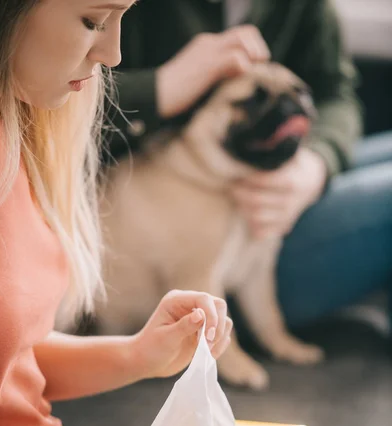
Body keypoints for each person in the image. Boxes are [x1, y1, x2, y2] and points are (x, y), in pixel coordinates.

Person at [0, 2, 391, 426]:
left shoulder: (15, 136)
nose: (115, 56)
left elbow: (11, 363)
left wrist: (139, 355)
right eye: (92, 21)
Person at [108, 0, 392, 332]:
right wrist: (159, 88)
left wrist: (318, 164)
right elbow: (49, 106)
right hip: (225, 266)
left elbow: (335, 93)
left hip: (276, 200)